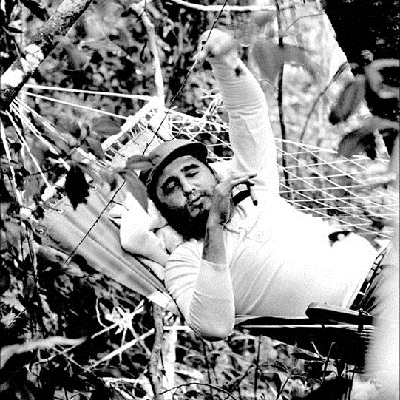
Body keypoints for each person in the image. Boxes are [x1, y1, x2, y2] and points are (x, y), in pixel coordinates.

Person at [129, 29, 378, 341]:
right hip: (355, 329)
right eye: (171, 188)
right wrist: (214, 229)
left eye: (191, 172)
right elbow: (213, 327)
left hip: (383, 272)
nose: (187, 187)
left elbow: (248, 112)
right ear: (163, 209)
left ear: (213, 172)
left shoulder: (253, 188)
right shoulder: (186, 261)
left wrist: (224, 60)